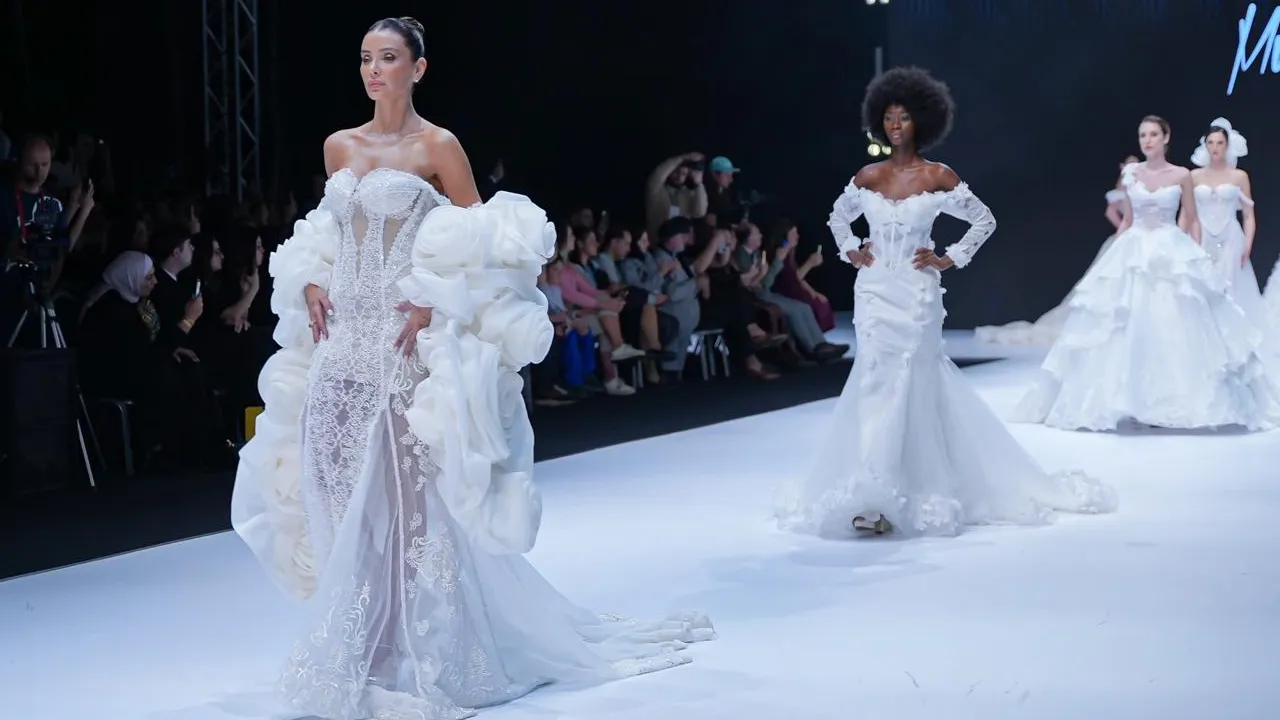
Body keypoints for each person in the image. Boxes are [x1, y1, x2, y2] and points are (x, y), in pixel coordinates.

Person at [230, 17, 712, 720]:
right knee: (332, 485)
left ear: (418, 68)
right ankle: (357, 636)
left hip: (398, 342)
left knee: (405, 496)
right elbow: (330, 231)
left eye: (388, 57)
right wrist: (308, 282)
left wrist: (434, 300)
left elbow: (486, 244)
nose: (373, 70)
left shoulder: (438, 147)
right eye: (365, 58)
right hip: (339, 344)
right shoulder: (340, 145)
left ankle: (416, 644)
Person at [774, 67, 1116, 538]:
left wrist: (948, 258)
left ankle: (907, 489)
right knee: (875, 380)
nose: (895, 125)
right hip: (874, 291)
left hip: (917, 293)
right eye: (888, 117)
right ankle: (872, 491)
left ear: (922, 120)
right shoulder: (869, 176)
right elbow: (838, 217)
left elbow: (984, 220)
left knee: (912, 379)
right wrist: (851, 249)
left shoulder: (937, 176)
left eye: (903, 117)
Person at [1014, 116, 1280, 431]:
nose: (1147, 140)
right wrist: (1109, 258)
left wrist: (1196, 259)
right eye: (1143, 135)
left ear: (1166, 137)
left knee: (1172, 321)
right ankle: (1124, 399)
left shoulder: (1182, 175)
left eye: (1153, 134)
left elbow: (1191, 219)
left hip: (1170, 249)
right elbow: (1127, 221)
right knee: (1124, 323)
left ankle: (1169, 398)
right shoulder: (1132, 174)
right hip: (1134, 251)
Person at [974, 157, 1138, 346]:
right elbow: (1110, 212)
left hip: (1136, 239)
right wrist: (1124, 230)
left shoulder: (1143, 184)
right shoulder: (1123, 186)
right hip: (1123, 239)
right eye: (1129, 165)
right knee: (1109, 285)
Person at [1189, 118, 1264, 321]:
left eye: (1220, 143)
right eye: (1211, 142)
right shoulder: (1194, 176)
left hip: (1231, 238)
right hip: (1200, 237)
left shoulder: (1239, 177)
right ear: (1205, 145)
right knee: (1203, 289)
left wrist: (1247, 244)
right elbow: (1188, 213)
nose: (1215, 147)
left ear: (1227, 146)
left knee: (1230, 290)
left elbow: (1248, 215)